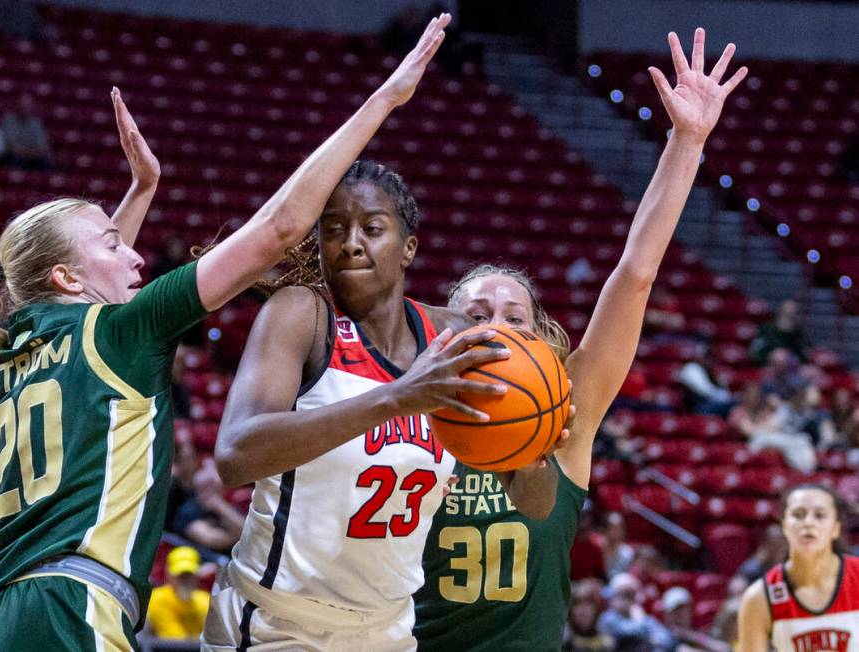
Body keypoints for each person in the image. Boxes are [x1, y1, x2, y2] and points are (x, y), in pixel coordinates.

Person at [0, 19, 458, 650]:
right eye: (114, 242)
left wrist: (140, 194)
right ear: (67, 276)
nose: (134, 256)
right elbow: (279, 228)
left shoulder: (14, 356)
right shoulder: (121, 332)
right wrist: (387, 98)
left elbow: (85, 294)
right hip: (68, 609)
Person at [414, 27, 747, 651]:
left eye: (514, 318)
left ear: (542, 341)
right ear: (438, 331)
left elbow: (636, 274)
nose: (494, 328)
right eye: (476, 313)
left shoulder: (568, 412)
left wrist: (687, 142)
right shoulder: (398, 409)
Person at [201, 17, 503, 650]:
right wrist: (395, 399)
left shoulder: (450, 336)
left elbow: (529, 490)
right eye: (334, 228)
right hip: (275, 623)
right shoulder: (299, 314)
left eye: (372, 227)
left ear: (409, 247)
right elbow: (234, 454)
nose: (350, 242)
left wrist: (540, 438)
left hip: (389, 631)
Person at [737, 484, 859, 651]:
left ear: (836, 528)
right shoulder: (759, 598)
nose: (808, 523)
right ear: (784, 526)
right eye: (798, 515)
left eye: (820, 515)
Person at [173, 463, 244, 557]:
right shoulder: (188, 511)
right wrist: (240, 536)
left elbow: (247, 529)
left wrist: (221, 507)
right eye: (210, 487)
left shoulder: (225, 507)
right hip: (201, 562)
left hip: (232, 559)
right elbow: (215, 540)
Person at [147, 546, 210, 640]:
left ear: (197, 576)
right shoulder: (158, 599)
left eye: (189, 575)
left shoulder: (206, 600)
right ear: (169, 575)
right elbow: (175, 641)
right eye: (180, 575)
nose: (185, 580)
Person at [598, 573, 675, 651]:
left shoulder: (643, 617)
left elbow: (666, 638)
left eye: (630, 595)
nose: (626, 600)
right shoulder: (607, 617)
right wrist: (642, 626)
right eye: (622, 595)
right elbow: (624, 632)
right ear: (613, 597)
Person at [749, 300, 808, 365]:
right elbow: (755, 352)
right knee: (780, 356)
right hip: (768, 365)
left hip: (792, 368)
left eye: (794, 314)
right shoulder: (766, 329)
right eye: (787, 313)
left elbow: (803, 352)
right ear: (780, 312)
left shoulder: (798, 331)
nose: (790, 317)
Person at [2, 94, 52, 169]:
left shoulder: (36, 123)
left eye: (26, 106)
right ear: (17, 106)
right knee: (14, 159)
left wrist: (29, 152)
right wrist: (30, 151)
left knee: (47, 162)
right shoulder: (9, 120)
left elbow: (42, 147)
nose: (24, 109)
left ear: (31, 107)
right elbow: (12, 146)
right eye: (22, 106)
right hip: (16, 157)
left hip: (33, 157)